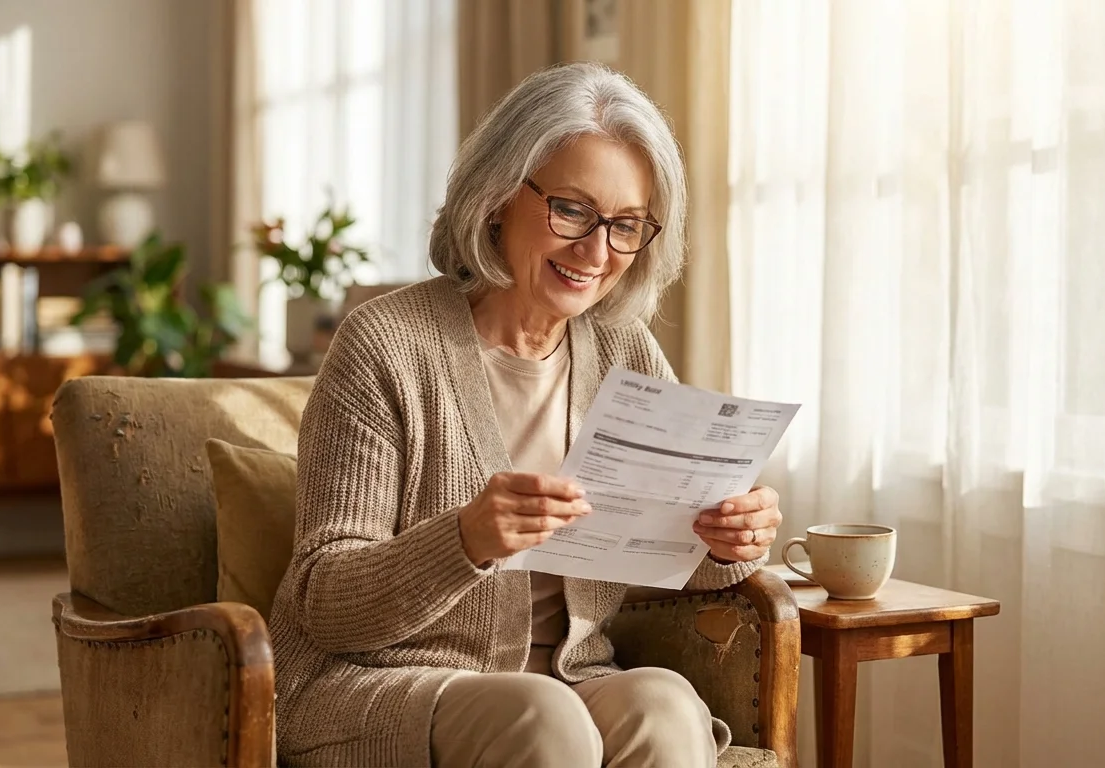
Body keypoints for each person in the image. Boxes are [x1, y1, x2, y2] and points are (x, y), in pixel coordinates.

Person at [269, 61, 783, 768]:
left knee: (665, 705)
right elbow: (325, 604)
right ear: (498, 195)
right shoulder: (385, 343)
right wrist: (466, 538)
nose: (597, 252)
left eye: (625, 225)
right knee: (545, 720)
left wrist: (728, 541)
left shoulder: (622, 350)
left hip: (568, 679)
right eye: (571, 209)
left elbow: (671, 552)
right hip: (383, 683)